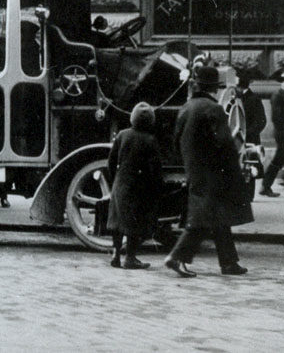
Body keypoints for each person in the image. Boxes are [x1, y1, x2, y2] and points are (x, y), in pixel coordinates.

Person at [164, 65, 253, 277]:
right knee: (203, 219)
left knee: (218, 217)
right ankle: (177, 257)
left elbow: (175, 141)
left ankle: (229, 263)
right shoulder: (213, 109)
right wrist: (235, 168)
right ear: (215, 88)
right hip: (214, 172)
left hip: (195, 169)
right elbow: (224, 143)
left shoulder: (187, 107)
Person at [106, 102, 163, 270]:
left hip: (120, 183)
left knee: (117, 223)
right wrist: (157, 187)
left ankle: (116, 254)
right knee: (134, 224)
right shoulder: (150, 140)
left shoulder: (122, 135)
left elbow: (111, 161)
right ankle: (130, 258)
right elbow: (155, 169)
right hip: (139, 187)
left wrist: (114, 179)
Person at [260, 71, 284, 197]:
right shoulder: (278, 95)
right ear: (282, 82)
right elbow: (276, 116)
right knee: (279, 159)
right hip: (282, 132)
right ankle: (266, 186)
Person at [236, 73, 267, 146]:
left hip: (250, 140)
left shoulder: (254, 99)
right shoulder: (238, 98)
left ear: (240, 87)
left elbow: (261, 121)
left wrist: (247, 133)